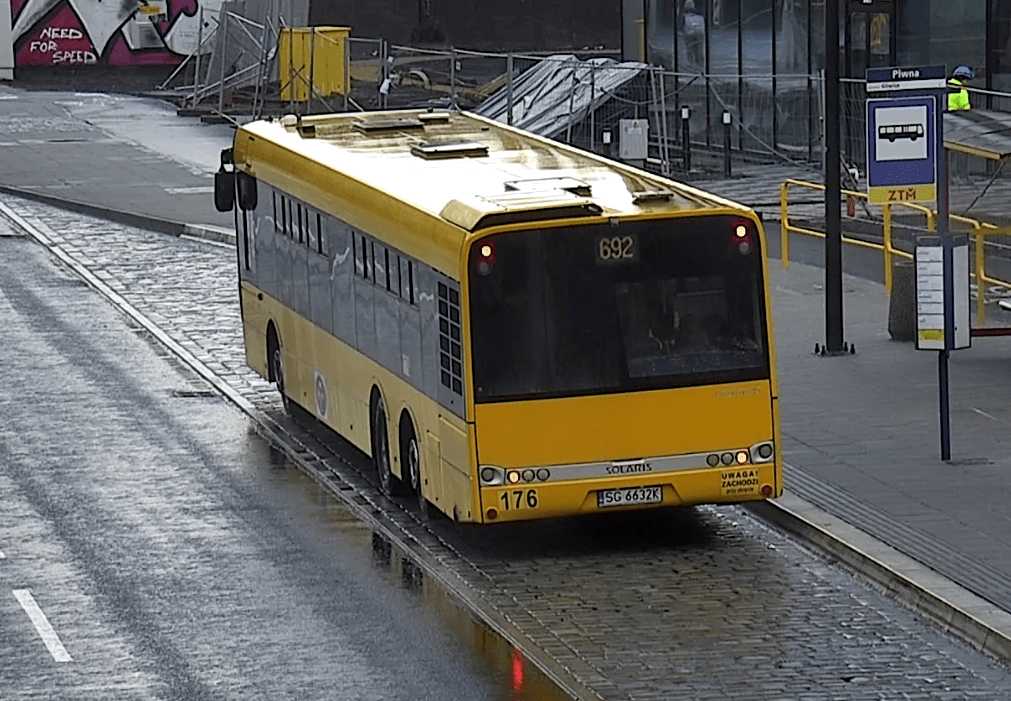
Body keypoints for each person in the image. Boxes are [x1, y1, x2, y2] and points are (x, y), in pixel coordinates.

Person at [683, 0, 706, 67]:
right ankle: (699, 64)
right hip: (699, 32)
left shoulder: (684, 15)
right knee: (699, 50)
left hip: (689, 32)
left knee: (690, 49)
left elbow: (681, 26)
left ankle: (691, 63)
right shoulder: (700, 13)